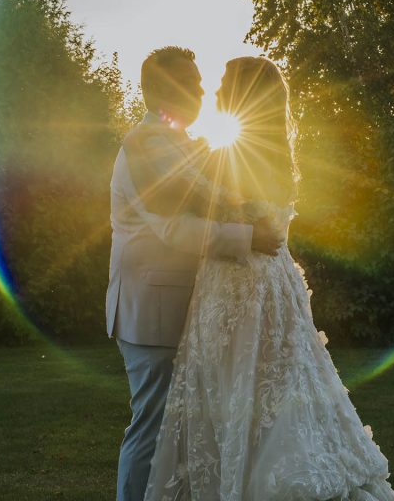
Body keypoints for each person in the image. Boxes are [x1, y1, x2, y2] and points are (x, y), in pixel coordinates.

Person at [144, 56, 394, 501]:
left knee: (246, 390)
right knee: (275, 388)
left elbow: (202, 207)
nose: (218, 89)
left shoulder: (230, 154)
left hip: (241, 287)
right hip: (269, 284)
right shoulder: (273, 152)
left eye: (227, 81)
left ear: (246, 93)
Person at [107, 47, 283, 501]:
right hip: (153, 307)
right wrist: (247, 237)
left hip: (186, 304)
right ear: (158, 91)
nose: (202, 92)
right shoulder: (144, 146)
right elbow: (171, 228)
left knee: (184, 432)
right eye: (191, 83)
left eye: (201, 83)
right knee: (153, 426)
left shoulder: (181, 145)